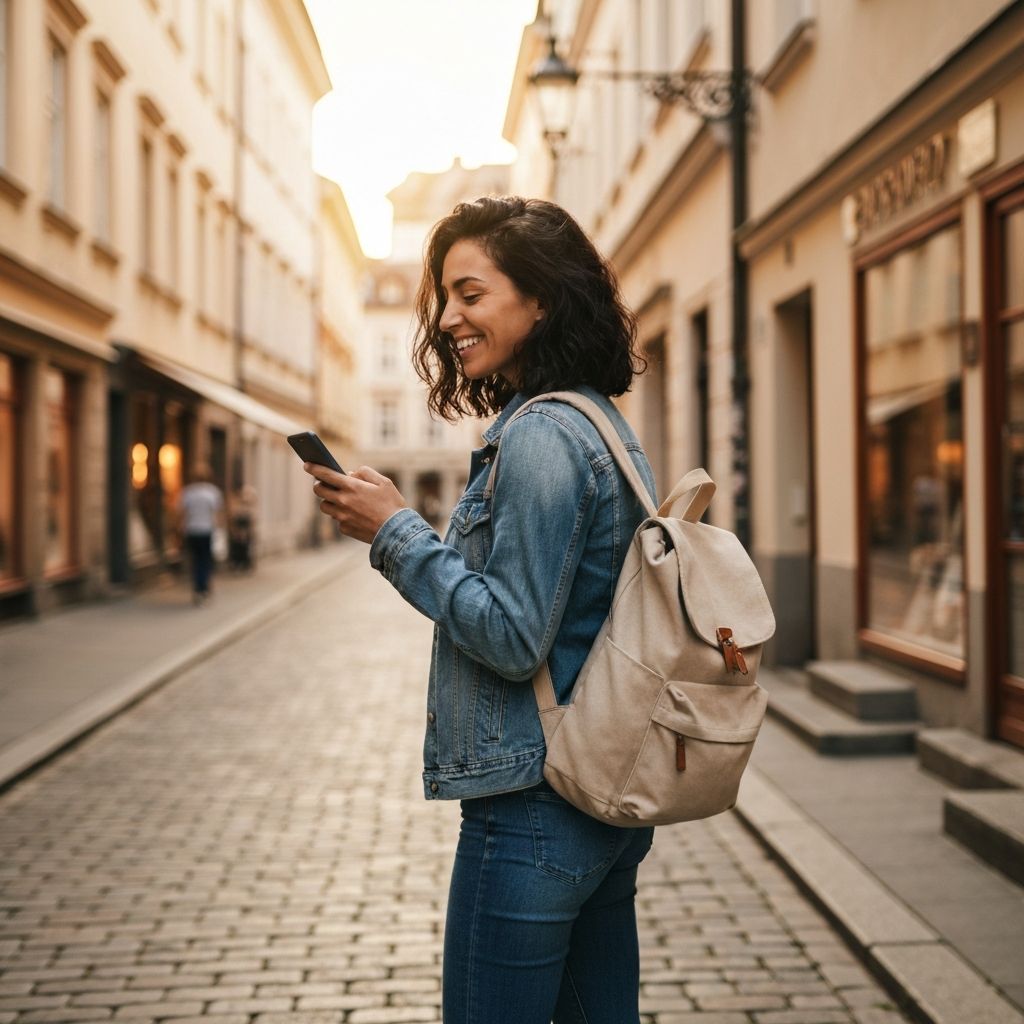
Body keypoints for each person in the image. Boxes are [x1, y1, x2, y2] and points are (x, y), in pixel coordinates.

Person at [304, 196, 656, 1024]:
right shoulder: (600, 423)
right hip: (598, 795)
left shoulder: (538, 436)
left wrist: (396, 533)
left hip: (534, 804)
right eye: (444, 298)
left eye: (471, 293)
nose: (449, 318)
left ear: (540, 299)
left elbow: (510, 634)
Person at [177, 463, 224, 605]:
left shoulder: (188, 492)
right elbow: (217, 514)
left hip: (192, 530)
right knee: (205, 560)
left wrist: (180, 528)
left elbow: (181, 513)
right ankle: (203, 588)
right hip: (206, 530)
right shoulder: (212, 492)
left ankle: (198, 588)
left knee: (196, 560)